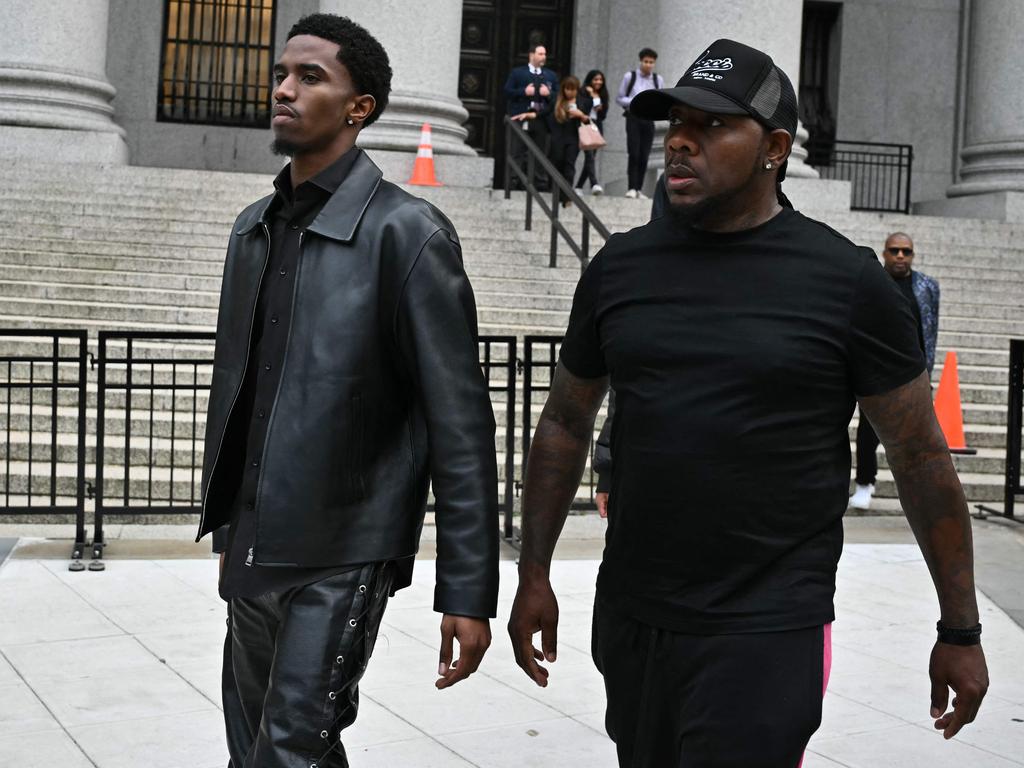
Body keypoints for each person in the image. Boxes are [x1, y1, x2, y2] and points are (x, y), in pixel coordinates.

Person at [508, 38, 988, 768]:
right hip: (635, 611)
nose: (681, 142)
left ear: (774, 147)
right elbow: (567, 420)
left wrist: (960, 630)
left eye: (710, 126)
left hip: (768, 622)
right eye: (676, 123)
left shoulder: (847, 283)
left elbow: (920, 456)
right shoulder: (620, 269)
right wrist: (534, 572)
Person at [197, 14, 499, 767]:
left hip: (345, 549)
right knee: (260, 751)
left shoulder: (409, 234)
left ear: (359, 107)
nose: (285, 89)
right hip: (254, 545)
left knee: (289, 749)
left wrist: (468, 590)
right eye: (281, 75)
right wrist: (231, 524)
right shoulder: (251, 230)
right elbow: (239, 385)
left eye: (310, 77)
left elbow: (459, 425)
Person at [850, 231, 940, 509]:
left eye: (906, 251)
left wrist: (928, 371)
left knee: (917, 436)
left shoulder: (927, 286)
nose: (900, 256)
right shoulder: (873, 282)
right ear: (885, 252)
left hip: (912, 372)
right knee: (868, 433)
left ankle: (920, 492)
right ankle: (865, 483)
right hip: (876, 368)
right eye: (894, 250)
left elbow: (930, 332)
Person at [504, 43, 559, 190]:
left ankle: (539, 184)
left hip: (540, 118)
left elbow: (558, 98)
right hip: (520, 117)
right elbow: (507, 91)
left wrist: (549, 94)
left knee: (540, 152)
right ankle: (513, 183)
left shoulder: (550, 76)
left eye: (545, 54)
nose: (543, 57)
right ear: (531, 55)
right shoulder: (518, 73)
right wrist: (523, 91)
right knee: (517, 150)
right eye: (540, 54)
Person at [616, 47, 663, 199]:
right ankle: (631, 187)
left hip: (648, 118)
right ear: (640, 61)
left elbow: (660, 98)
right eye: (646, 61)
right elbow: (620, 98)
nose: (648, 65)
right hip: (633, 117)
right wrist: (637, 100)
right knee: (634, 153)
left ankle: (639, 189)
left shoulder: (657, 80)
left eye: (651, 62)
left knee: (644, 155)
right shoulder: (630, 77)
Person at [548, 75, 593, 204]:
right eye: (567, 89)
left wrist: (580, 115)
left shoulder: (582, 102)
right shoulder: (557, 101)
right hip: (558, 138)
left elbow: (588, 119)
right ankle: (556, 191)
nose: (569, 92)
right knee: (557, 163)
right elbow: (546, 114)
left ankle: (566, 194)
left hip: (574, 138)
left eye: (572, 89)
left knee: (569, 165)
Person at [575, 69, 609, 195]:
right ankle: (594, 183)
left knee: (591, 158)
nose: (598, 82)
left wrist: (596, 97)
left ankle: (578, 186)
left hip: (597, 126)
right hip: (585, 124)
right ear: (590, 80)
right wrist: (592, 99)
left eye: (600, 80)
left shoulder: (602, 94)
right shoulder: (583, 92)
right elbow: (582, 108)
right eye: (595, 79)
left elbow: (603, 114)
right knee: (589, 156)